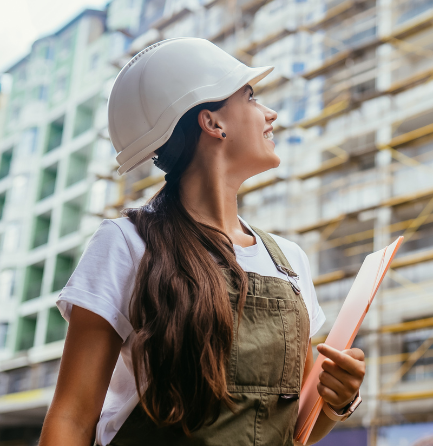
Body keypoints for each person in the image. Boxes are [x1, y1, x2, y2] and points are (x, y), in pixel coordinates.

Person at [39, 38, 365, 446]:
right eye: (250, 97)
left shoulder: (290, 261)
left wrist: (338, 401)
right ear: (212, 123)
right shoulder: (126, 244)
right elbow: (71, 417)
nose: (271, 113)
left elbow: (290, 430)